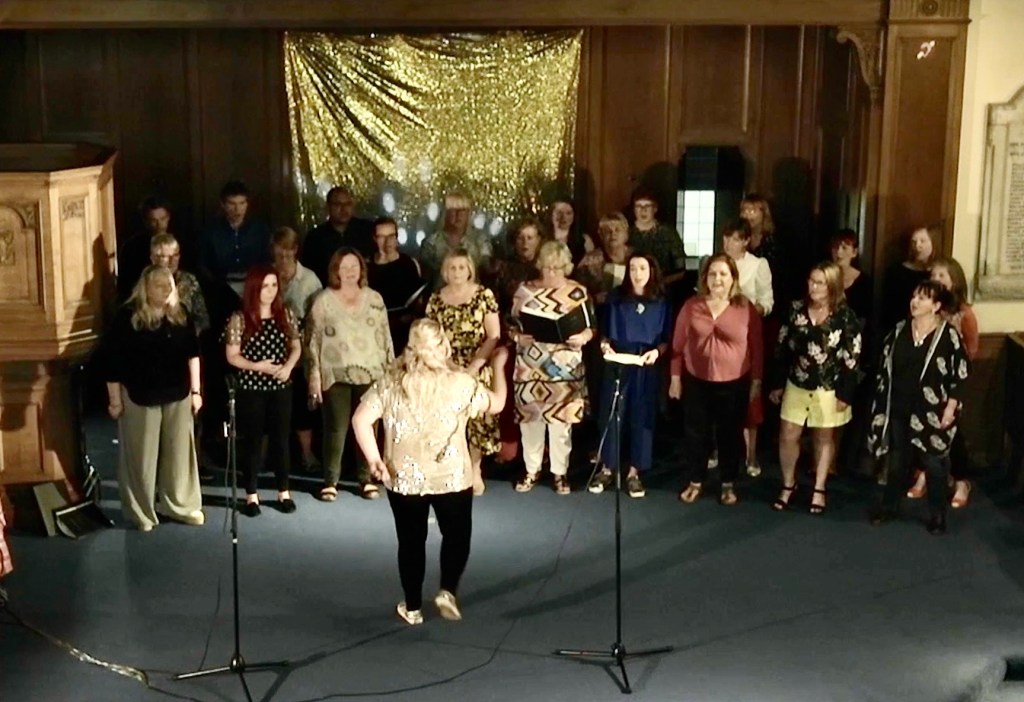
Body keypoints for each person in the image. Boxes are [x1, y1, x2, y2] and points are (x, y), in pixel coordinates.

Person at [351, 319, 508, 625]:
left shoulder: (391, 383)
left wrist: (374, 460)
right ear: (443, 346)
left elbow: (360, 420)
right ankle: (447, 590)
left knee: (410, 542)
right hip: (452, 476)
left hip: (403, 477)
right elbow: (498, 404)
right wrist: (499, 366)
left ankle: (412, 608)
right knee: (457, 536)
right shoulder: (461, 383)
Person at [101, 265, 204, 531]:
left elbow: (193, 355)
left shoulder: (180, 314)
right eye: (159, 285)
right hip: (140, 395)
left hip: (178, 393)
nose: (166, 289)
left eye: (169, 284)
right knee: (141, 458)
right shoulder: (128, 317)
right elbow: (111, 361)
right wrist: (115, 400)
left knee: (179, 454)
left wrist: (196, 392)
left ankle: (180, 505)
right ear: (145, 288)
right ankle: (141, 513)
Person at [868, 281, 969, 535]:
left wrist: (951, 408)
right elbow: (884, 369)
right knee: (897, 460)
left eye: (923, 298)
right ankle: (889, 506)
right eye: (914, 296)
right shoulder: (899, 331)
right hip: (900, 406)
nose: (915, 302)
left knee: (934, 464)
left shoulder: (948, 336)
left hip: (932, 410)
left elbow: (960, 375)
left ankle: (937, 514)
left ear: (936, 306)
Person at [768, 262, 862, 515]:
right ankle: (788, 484)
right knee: (788, 434)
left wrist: (845, 394)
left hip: (828, 386)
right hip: (797, 382)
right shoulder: (795, 309)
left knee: (823, 437)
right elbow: (781, 347)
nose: (814, 287)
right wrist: (777, 383)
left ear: (832, 286)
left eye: (820, 282)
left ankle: (819, 487)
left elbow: (852, 358)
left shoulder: (845, 316)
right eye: (811, 281)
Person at [669, 254, 762, 506]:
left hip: (735, 382)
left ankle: (728, 483)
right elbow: (677, 345)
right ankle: (695, 480)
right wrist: (675, 377)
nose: (717, 279)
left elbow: (757, 347)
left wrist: (756, 381)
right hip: (696, 379)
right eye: (712, 274)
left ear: (733, 278)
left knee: (729, 434)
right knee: (695, 434)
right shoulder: (691, 306)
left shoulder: (745, 308)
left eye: (723, 274)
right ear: (705, 278)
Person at [307, 248, 394, 501]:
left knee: (368, 427)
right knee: (336, 428)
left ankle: (366, 478)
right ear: (335, 270)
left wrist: (391, 372)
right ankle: (330, 481)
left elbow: (385, 337)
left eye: (354, 266)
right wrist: (314, 375)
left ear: (361, 269)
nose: (349, 272)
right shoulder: (323, 300)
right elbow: (312, 340)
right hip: (334, 373)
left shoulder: (375, 298)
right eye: (343, 267)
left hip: (372, 372)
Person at [509, 241, 594, 494]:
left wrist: (583, 337)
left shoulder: (577, 292)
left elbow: (592, 326)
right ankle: (531, 470)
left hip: (564, 368)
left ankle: (560, 473)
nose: (551, 273)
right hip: (530, 367)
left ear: (566, 267)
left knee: (561, 424)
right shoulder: (524, 291)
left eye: (557, 268)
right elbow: (509, 324)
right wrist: (517, 337)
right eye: (547, 268)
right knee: (530, 421)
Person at [588, 254, 671, 498]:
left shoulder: (661, 300)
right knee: (612, 412)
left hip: (645, 363)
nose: (637, 273)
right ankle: (607, 467)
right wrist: (605, 346)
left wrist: (657, 352)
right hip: (618, 361)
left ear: (651, 271)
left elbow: (666, 338)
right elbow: (605, 332)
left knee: (642, 415)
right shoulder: (616, 297)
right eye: (633, 268)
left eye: (642, 268)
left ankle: (634, 472)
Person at [225, 266, 302, 516]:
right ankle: (251, 494)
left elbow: (296, 346)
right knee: (253, 441)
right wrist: (257, 366)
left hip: (280, 385)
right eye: (265, 286)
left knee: (281, 439)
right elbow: (232, 355)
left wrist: (288, 367)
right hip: (252, 387)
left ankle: (283, 491)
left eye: (274, 286)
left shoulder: (285, 314)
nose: (270, 291)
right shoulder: (240, 318)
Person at [425, 250, 501, 495]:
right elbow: (430, 336)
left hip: (478, 363)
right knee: (447, 420)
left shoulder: (484, 295)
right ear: (445, 272)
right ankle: (450, 469)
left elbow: (494, 336)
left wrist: (473, 368)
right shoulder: (436, 299)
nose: (457, 272)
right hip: (445, 365)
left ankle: (474, 469)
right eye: (452, 267)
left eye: (461, 267)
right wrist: (449, 365)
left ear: (470, 270)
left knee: (478, 419)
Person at [906, 256, 979, 508]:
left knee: (952, 433)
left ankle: (961, 481)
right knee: (921, 430)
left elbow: (972, 350)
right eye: (933, 275)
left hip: (951, 384)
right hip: (924, 383)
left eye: (942, 276)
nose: (936, 280)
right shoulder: (925, 309)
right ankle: (924, 475)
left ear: (954, 281)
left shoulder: (963, 313)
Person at [723, 219, 773, 477]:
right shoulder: (716, 263)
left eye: (734, 238)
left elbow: (767, 301)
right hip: (720, 336)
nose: (728, 243)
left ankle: (750, 455)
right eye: (726, 237)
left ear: (745, 241)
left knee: (750, 396)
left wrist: (748, 313)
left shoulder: (757, 264)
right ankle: (717, 450)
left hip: (746, 335)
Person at [271, 227, 323, 473]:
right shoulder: (267, 275)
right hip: (271, 349)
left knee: (302, 406)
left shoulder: (310, 280)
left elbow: (318, 318)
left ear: (295, 250)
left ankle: (306, 454)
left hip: (301, 351)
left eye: (287, 252)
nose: (283, 258)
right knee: (272, 406)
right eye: (278, 253)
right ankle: (268, 455)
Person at [199, 181, 272, 299]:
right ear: (223, 204)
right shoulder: (211, 232)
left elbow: (267, 260)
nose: (237, 209)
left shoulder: (259, 229)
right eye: (232, 204)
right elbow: (204, 266)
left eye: (242, 203)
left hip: (255, 288)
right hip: (222, 290)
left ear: (247, 204)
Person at [367, 216, 425, 356]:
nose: (387, 241)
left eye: (391, 236)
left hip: (405, 332)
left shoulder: (409, 263)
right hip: (374, 331)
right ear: (374, 238)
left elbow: (419, 299)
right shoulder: (366, 266)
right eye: (381, 237)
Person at [302, 186, 376, 286]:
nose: (343, 209)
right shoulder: (315, 238)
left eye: (347, 204)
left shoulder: (367, 230)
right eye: (338, 204)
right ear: (328, 207)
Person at [419, 191, 493, 289]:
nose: (458, 215)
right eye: (453, 210)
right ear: (445, 213)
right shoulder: (431, 243)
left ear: (469, 213)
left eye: (463, 210)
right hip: (441, 294)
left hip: (473, 294)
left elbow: (487, 270)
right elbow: (426, 277)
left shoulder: (480, 240)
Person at [117, 195, 179, 302]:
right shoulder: (132, 247)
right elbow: (125, 285)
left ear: (169, 217)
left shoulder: (182, 242)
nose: (159, 225)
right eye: (153, 220)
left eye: (163, 219)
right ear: (146, 221)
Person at [150, 234, 210, 334]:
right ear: (153, 259)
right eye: (165, 256)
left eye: (175, 255)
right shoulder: (146, 283)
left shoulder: (189, 280)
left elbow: (202, 319)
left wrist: (189, 335)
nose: (171, 261)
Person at [628, 189, 687, 288]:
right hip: (633, 287)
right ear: (634, 209)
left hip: (663, 288)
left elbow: (680, 268)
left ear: (655, 209)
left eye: (647, 206)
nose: (643, 210)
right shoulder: (627, 233)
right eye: (639, 206)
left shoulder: (668, 233)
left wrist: (661, 283)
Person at [881, 225, 935, 332]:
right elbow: (889, 307)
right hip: (902, 327)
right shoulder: (897, 271)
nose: (917, 246)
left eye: (922, 241)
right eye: (914, 242)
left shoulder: (936, 273)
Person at [576, 212, 633, 305]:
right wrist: (594, 298)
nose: (613, 234)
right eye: (607, 231)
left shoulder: (636, 257)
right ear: (601, 235)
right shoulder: (589, 261)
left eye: (617, 230)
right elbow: (578, 291)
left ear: (626, 234)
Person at [830, 229, 872, 325]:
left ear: (854, 252)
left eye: (844, 248)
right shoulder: (823, 277)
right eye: (835, 247)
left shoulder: (864, 281)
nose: (839, 252)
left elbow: (864, 317)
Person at [548, 198, 594, 264]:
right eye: (559, 213)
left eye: (568, 213)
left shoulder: (585, 241)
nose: (564, 217)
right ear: (551, 214)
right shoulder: (542, 240)